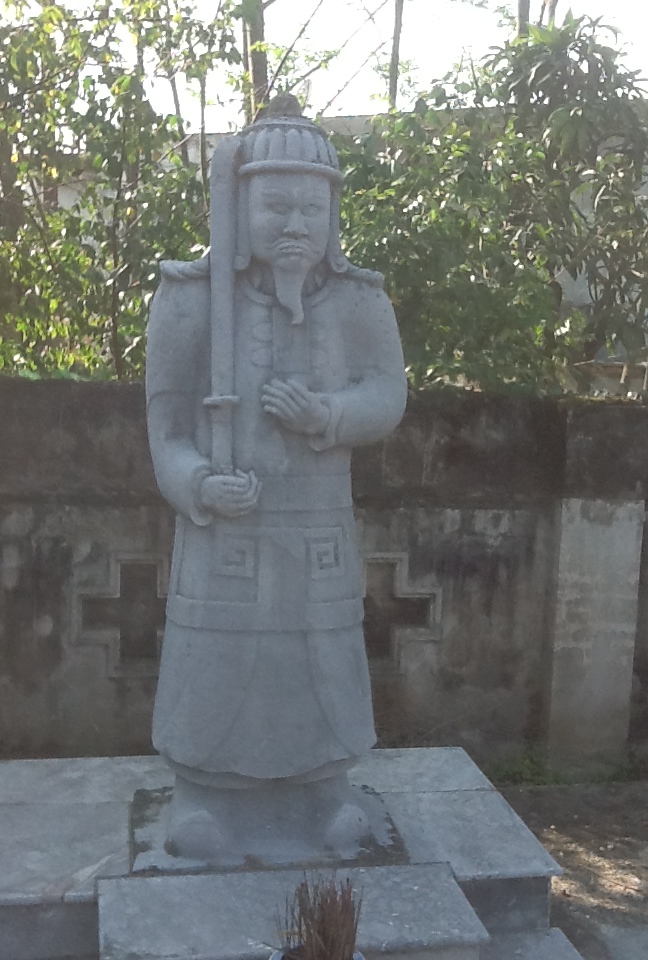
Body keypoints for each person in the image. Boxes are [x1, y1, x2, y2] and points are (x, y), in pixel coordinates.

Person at [145, 96, 407, 862]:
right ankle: (203, 797)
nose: (296, 225)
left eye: (311, 208)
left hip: (319, 526)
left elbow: (387, 394)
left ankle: (325, 794)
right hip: (225, 531)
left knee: (323, 661)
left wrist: (327, 413)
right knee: (217, 665)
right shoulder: (189, 299)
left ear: (333, 214)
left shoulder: (360, 300)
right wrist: (200, 485)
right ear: (240, 208)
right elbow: (166, 430)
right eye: (276, 206)